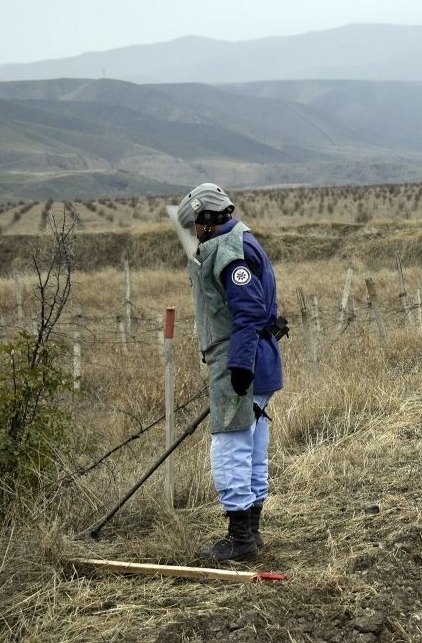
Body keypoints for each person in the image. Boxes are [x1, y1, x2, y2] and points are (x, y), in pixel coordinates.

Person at [173, 182, 285, 562]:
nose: (193, 234)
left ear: (205, 220)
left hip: (241, 360)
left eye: (194, 227)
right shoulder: (242, 238)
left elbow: (249, 310)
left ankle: (239, 539)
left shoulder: (228, 251)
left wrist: (238, 365)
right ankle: (250, 533)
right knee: (252, 446)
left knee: (230, 446)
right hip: (257, 357)